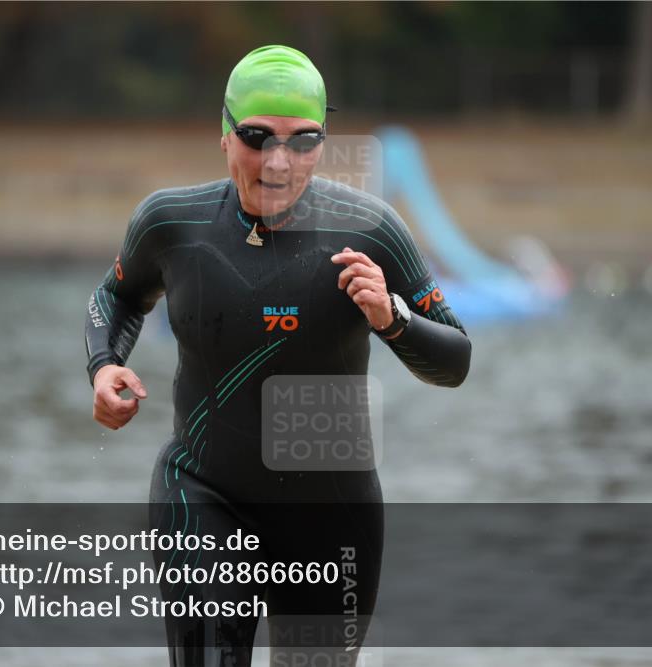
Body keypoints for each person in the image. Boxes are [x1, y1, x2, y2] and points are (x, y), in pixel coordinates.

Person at [84, 44, 471, 667]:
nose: (278, 161)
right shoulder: (170, 223)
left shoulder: (369, 230)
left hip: (332, 516)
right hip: (202, 494)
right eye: (256, 136)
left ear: (324, 141)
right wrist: (104, 365)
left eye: (303, 140)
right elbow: (117, 296)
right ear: (224, 133)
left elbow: (455, 361)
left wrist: (391, 319)